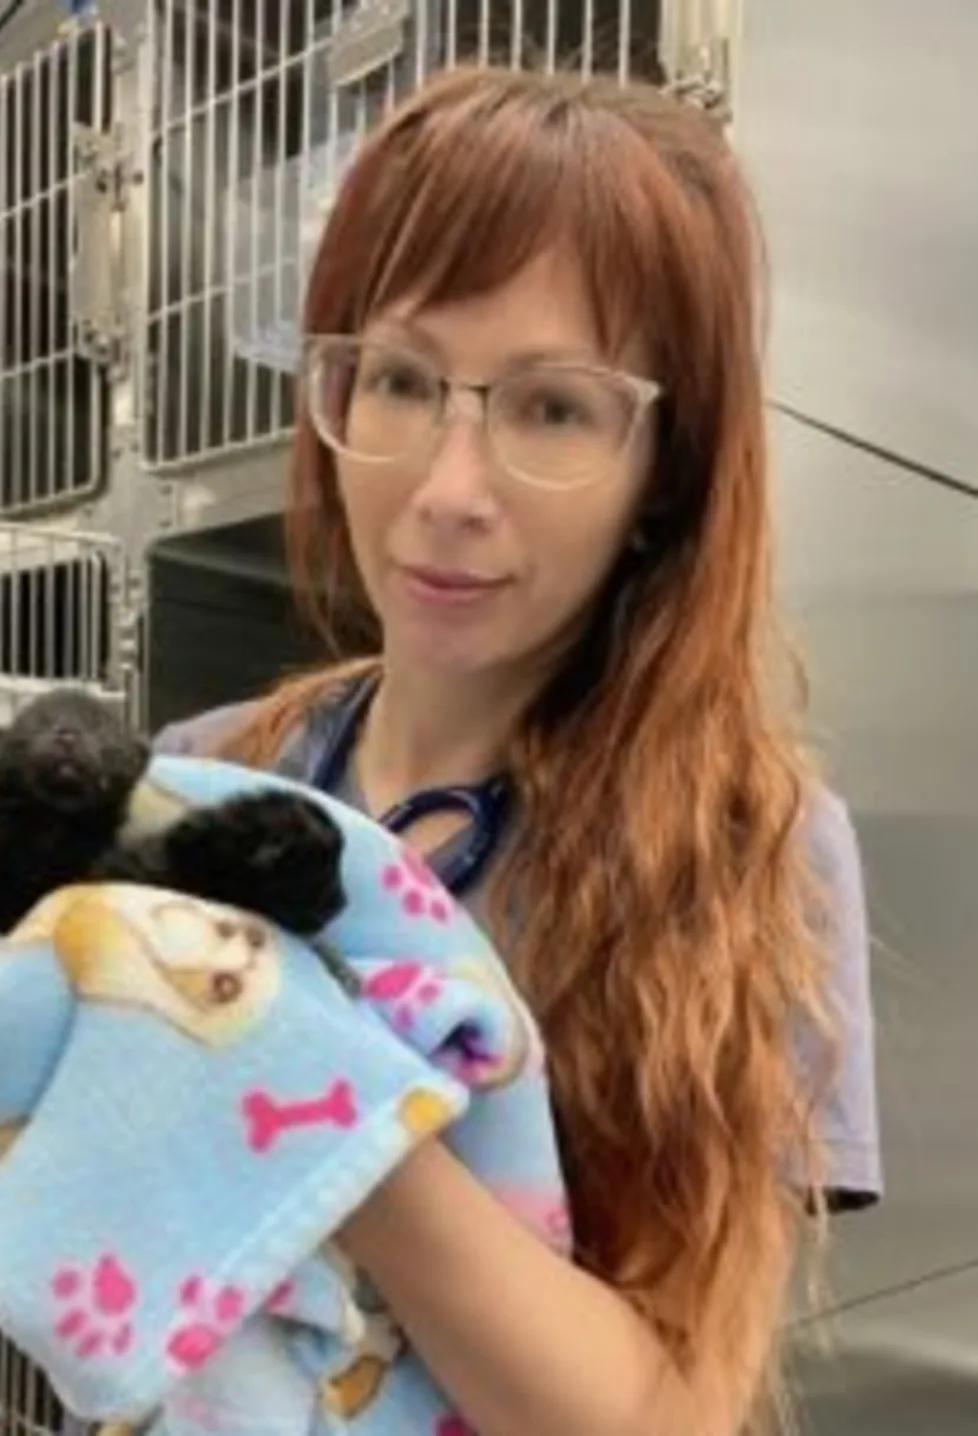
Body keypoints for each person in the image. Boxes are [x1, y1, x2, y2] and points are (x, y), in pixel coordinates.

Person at [153, 66, 881, 1436]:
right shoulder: (211, 770)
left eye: (551, 406)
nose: (445, 491)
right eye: (401, 380)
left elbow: (666, 1413)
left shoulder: (749, 854)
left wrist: (328, 1112)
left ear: (662, 464)